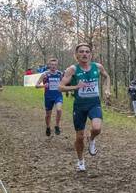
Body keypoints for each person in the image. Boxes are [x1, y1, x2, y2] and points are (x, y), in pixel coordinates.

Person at [59, 42, 110, 172]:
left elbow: (107, 77)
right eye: (81, 52)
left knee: (97, 128)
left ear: (91, 55)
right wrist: (76, 87)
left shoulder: (97, 67)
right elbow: (60, 87)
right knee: (79, 137)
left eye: (87, 51)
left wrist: (107, 89)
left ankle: (92, 139)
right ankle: (81, 161)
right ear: (76, 55)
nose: (84, 54)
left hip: (94, 103)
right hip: (80, 106)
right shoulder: (73, 69)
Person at [39, 56, 64, 136]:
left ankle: (57, 126)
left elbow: (64, 83)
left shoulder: (60, 74)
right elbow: (36, 85)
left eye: (55, 65)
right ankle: (48, 127)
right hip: (48, 97)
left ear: (57, 65)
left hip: (58, 95)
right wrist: (43, 86)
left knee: (59, 110)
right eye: (52, 64)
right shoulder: (45, 74)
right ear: (49, 65)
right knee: (48, 115)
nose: (53, 66)